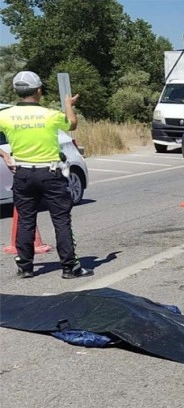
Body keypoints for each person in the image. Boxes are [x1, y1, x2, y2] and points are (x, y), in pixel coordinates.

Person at [0, 71, 94, 279]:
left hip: (23, 172)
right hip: (50, 173)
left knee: (25, 220)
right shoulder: (50, 115)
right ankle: (70, 267)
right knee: (61, 220)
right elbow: (72, 124)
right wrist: (69, 104)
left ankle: (25, 267)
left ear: (16, 91)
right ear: (39, 91)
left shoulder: (5, 115)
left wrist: (5, 155)